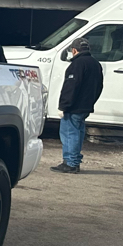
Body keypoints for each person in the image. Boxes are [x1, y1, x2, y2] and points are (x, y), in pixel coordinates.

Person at [51, 37, 103, 174]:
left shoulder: (77, 64)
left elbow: (71, 87)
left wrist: (63, 106)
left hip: (74, 107)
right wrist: (91, 102)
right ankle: (74, 161)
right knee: (78, 134)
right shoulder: (95, 64)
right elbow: (99, 86)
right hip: (85, 106)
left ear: (74, 50)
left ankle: (70, 163)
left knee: (69, 134)